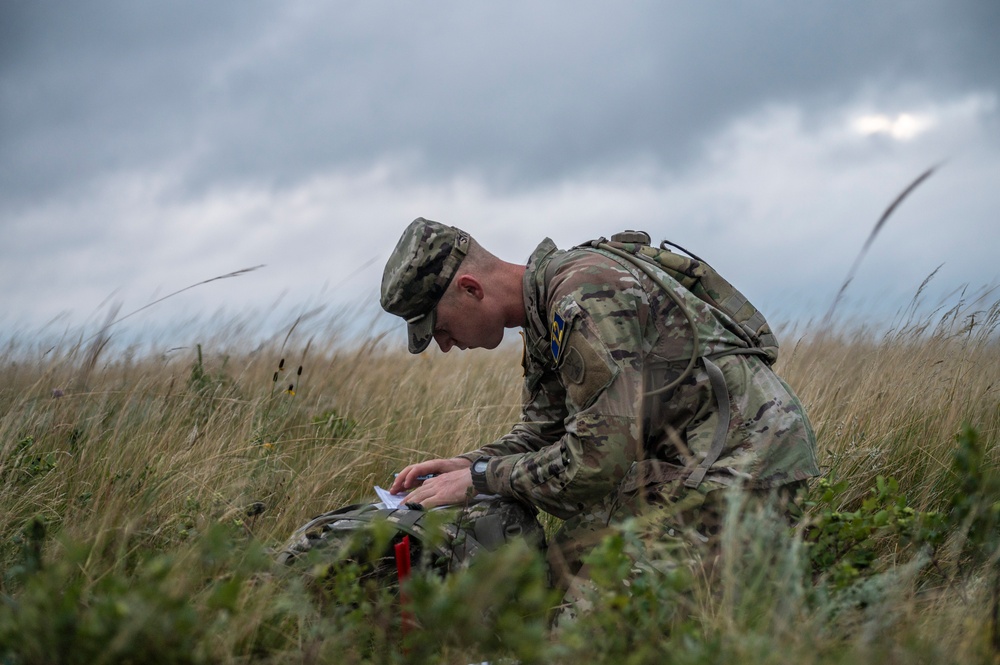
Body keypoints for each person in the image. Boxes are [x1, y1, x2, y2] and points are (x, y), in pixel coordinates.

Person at [382, 217, 820, 591]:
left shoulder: (583, 298)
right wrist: (464, 465)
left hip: (745, 475)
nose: (442, 345)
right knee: (553, 578)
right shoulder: (544, 313)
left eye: (437, 327)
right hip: (689, 471)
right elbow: (542, 431)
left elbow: (595, 462)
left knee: (584, 628)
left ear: (471, 288)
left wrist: (481, 479)